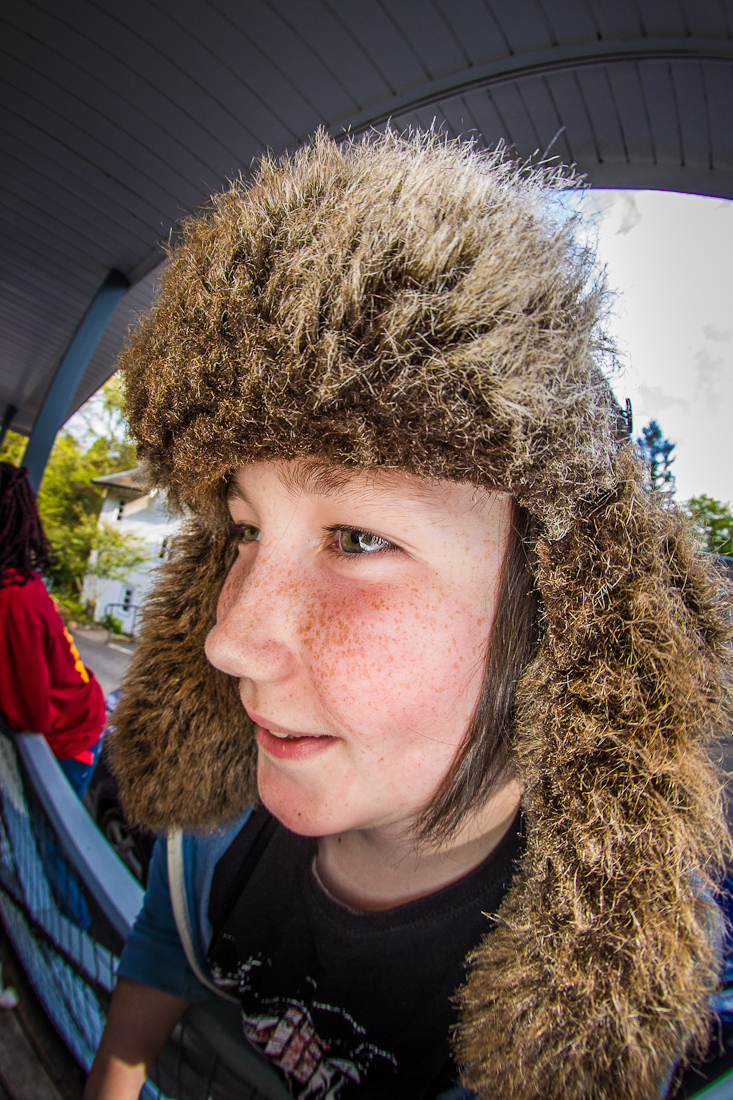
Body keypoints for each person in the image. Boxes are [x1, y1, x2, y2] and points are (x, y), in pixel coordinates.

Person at [84, 133, 732, 1100]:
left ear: (563, 615)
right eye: (247, 529)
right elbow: (157, 972)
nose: (230, 641)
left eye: (357, 538)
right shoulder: (213, 843)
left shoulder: (636, 1036)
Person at [0, 463, 106, 798]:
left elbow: (29, 715)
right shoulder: (16, 583)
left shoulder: (12, 599)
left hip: (69, 739)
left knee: (47, 827)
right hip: (73, 718)